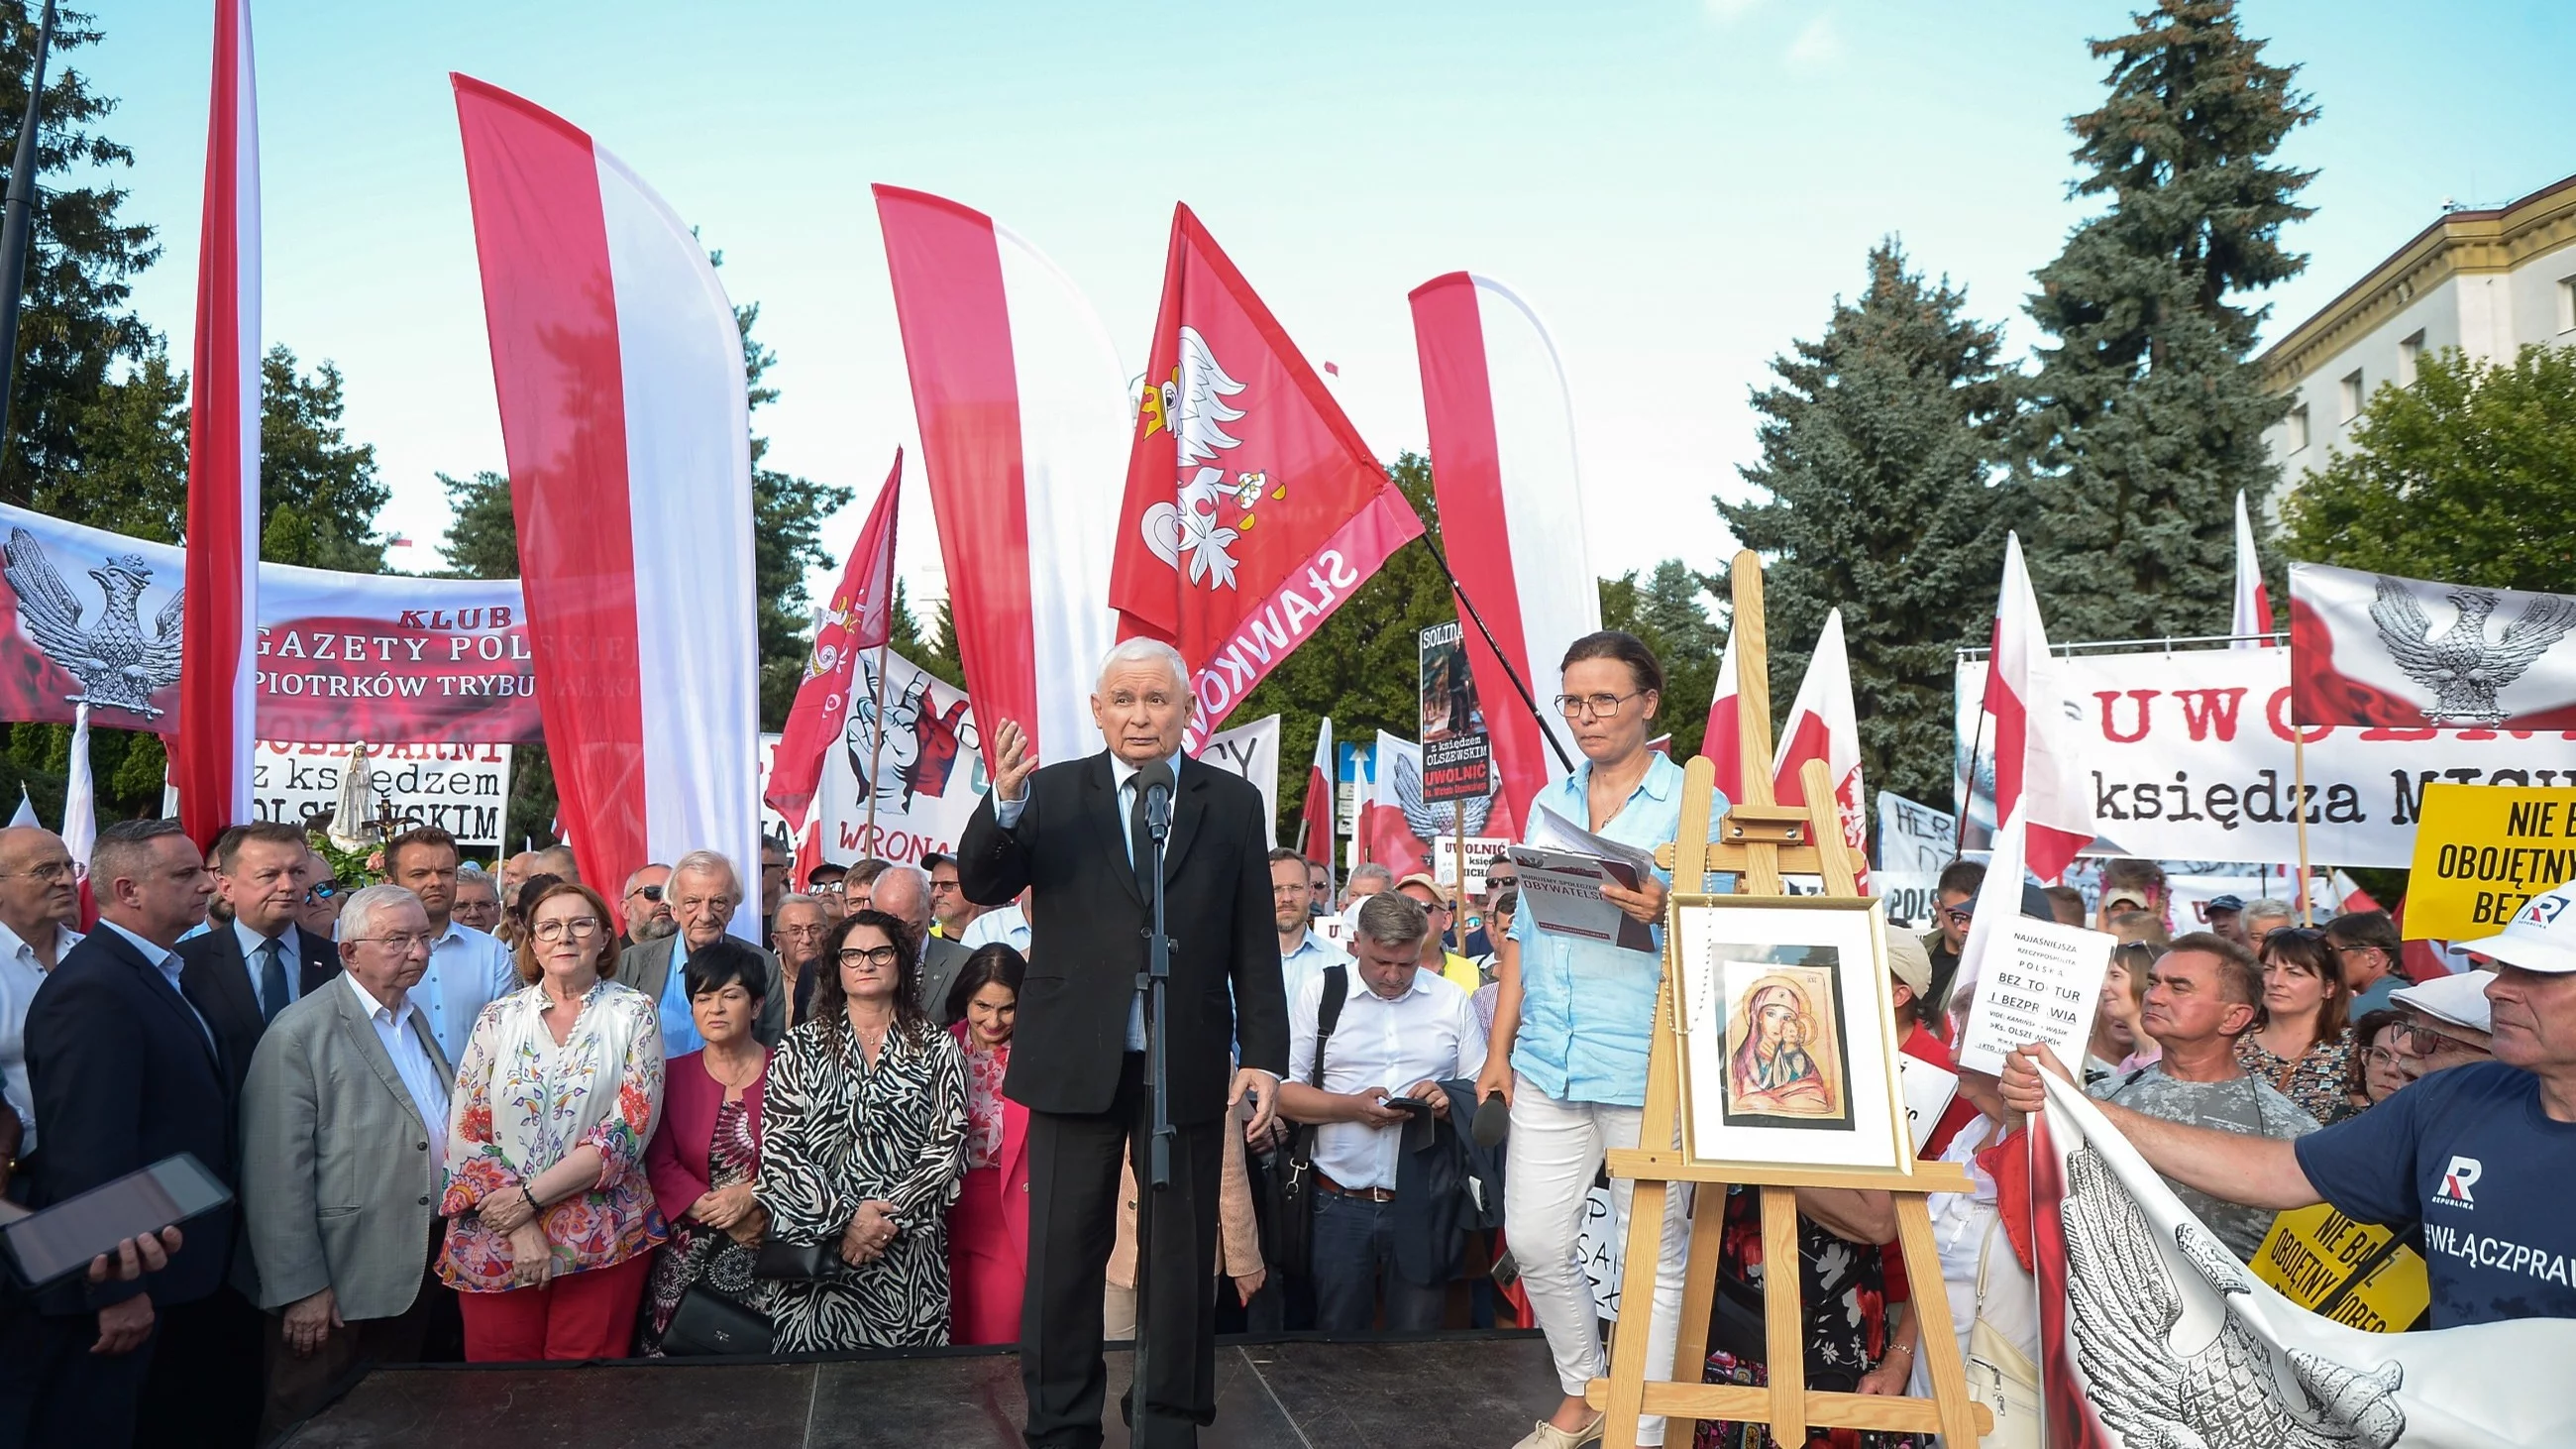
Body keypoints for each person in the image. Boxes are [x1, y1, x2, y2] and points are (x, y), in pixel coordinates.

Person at [957, 637, 1287, 1449]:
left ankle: (1170, 1417)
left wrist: (1266, 1054)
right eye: (1125, 701)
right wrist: (1002, 802)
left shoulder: (1231, 803)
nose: (1141, 715)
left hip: (1189, 1056)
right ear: (1099, 710)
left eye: (1158, 700)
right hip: (1075, 1054)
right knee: (1066, 1251)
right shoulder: (1052, 792)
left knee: (1180, 1256)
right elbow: (982, 883)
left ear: (1185, 712)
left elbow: (1254, 939)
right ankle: (1063, 1420)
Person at [2004, 878, 2576, 1328]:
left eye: (2537, 975)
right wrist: (2083, 1106)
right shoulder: (2454, 1098)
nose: (2497, 987)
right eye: (2504, 968)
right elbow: (2280, 1169)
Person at [1477, 631, 1696, 1449]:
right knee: (1534, 1237)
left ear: (1648, 704)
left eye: (1605, 699)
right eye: (1573, 699)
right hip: (1546, 1058)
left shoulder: (1694, 802)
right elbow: (1522, 940)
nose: (1586, 715)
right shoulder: (1551, 801)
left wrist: (1668, 910)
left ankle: (1639, 1428)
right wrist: (1497, 1054)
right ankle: (1587, 1386)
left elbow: (1743, 937)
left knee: (1655, 1257)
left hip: (1650, 1062)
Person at [20, 820, 232, 1447]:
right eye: (185, 874)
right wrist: (116, 1287)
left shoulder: (159, 970)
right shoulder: (94, 990)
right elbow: (86, 1154)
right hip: (132, 1281)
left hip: (180, 1263)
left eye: (203, 870)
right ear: (127, 890)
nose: (205, 885)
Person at [241, 885, 461, 1433]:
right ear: (348, 952)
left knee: (391, 1419)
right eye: (397, 940)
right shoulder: (300, 1033)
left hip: (411, 1264)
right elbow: (274, 1177)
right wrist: (302, 1290)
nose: (417, 952)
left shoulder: (409, 1018)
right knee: (311, 1420)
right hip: (338, 1280)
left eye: (423, 938)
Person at [439, 880, 665, 1361]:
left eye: (580, 924)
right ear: (533, 942)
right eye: (550, 926)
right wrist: (519, 1224)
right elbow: (466, 1127)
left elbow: (626, 1131)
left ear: (605, 936)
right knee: (500, 1394)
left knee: (584, 1402)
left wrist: (528, 1199)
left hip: (600, 1235)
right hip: (497, 1233)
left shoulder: (633, 1012)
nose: (565, 936)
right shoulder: (497, 1017)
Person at [758, 911, 968, 1350]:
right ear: (836, 966)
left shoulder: (937, 1045)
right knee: (812, 1403)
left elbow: (947, 1144)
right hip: (819, 1256)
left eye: (879, 952)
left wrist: (884, 1222)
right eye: (852, 954)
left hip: (907, 1258)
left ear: (902, 962)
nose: (866, 963)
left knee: (911, 1403)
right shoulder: (800, 1047)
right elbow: (780, 1149)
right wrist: (847, 1219)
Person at [1278, 892, 1485, 1332]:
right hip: (1336, 1203)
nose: (1392, 976)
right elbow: (1284, 1094)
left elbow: (1480, 1091)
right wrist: (1350, 1108)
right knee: (1337, 1345)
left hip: (1424, 1202)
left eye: (1406, 965)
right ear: (1357, 944)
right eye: (1380, 963)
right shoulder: (1322, 993)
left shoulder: (1451, 1000)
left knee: (1416, 1349)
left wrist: (1448, 1100)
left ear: (1423, 948)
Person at [2076, 934, 2318, 1261]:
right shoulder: (2105, 1093)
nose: (2154, 997)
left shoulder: (2285, 1131)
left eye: (2179, 988)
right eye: (2153, 982)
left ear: (2234, 1017)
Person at [639, 939, 772, 1356]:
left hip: (769, 1245)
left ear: (756, 1006)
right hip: (689, 1250)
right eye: (703, 997)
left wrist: (753, 1198)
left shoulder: (790, 1070)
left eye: (730, 995)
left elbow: (806, 1154)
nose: (715, 1008)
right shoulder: (671, 1075)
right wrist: (719, 1213)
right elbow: (659, 1163)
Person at [180, 821, 338, 1105]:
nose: (288, 886)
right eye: (269, 875)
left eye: (298, 872)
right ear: (226, 887)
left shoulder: (338, 963)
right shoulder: (185, 966)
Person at [620, 850, 784, 1059]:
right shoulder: (633, 963)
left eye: (718, 902)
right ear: (674, 910)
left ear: (732, 908)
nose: (705, 915)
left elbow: (771, 1054)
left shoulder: (764, 964)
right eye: (692, 902)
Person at [946, 944, 1029, 1346]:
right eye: (982, 1006)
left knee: (999, 1333)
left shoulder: (1039, 1055)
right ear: (966, 998)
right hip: (943, 1209)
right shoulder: (936, 1048)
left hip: (1010, 1208)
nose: (993, 1021)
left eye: (1007, 1008)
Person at [387, 826, 520, 1066]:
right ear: (391, 882)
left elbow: (507, 1035)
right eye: (420, 874)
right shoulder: (373, 954)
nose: (435, 882)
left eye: (445, 872)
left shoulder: (490, 953)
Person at [0, 827, 80, 1166]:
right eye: (45, 871)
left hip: (102, 1165)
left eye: (69, 866)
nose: (66, 880)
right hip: (17, 1171)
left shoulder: (95, 954)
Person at [2234, 928, 2356, 1126]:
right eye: (2268, 970)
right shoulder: (2230, 1043)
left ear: (2329, 988)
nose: (2275, 982)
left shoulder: (2354, 1051)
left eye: (2294, 973)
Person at [872, 862, 972, 1022]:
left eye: (913, 927)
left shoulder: (964, 964)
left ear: (932, 907)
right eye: (891, 927)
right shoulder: (850, 963)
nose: (902, 939)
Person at [1271, 847, 1348, 1003]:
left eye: (1296, 888)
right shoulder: (1231, 966)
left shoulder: (1342, 965)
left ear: (1311, 893)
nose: (1287, 898)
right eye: (1276, 889)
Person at [1921, 858, 1983, 1026]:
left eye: (1974, 916)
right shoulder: (1917, 954)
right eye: (1956, 915)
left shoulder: (1991, 965)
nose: (1965, 926)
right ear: (1938, 909)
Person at [1395, 873, 1478, 993]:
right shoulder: (1376, 970)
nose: (1411, 916)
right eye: (1401, 908)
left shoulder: (1470, 972)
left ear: (1446, 920)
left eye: (1423, 907)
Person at [2083, 942, 2153, 1082]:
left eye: (2115, 976)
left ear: (2143, 980)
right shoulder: (2128, 1064)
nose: (2104, 987)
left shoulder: (2168, 1060)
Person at [2324, 909, 2406, 1021]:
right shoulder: (2407, 995)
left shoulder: (2357, 1010)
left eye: (2331, 952)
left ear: (2372, 957)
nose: (2325, 960)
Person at [771, 892, 831, 1029]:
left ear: (827, 935)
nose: (807, 939)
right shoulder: (765, 977)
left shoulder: (840, 974)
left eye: (814, 929)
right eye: (795, 931)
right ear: (777, 941)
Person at [2347, 1008, 2408, 1108]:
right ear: (2366, 1057)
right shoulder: (2338, 1120)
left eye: (2406, 1060)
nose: (2391, 1070)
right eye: (2381, 1055)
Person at [2094, 857, 2169, 932]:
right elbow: (2101, 925)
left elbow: (2156, 931)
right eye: (2117, 908)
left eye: (2133, 909)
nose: (2125, 914)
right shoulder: (2109, 883)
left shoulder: (2155, 892)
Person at [925, 850, 985, 940]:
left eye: (947, 884)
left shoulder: (994, 940)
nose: (936, 893)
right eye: (933, 885)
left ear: (974, 891)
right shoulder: (922, 942)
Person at [621, 863, 677, 951]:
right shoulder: (605, 961)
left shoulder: (697, 960)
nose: (664, 901)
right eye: (653, 892)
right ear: (626, 909)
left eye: (671, 895)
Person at [291, 857, 342, 941]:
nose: (318, 901)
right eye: (305, 894)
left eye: (323, 887)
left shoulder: (363, 935)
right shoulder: (273, 948)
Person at [453, 865, 503, 935]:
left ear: (498, 912)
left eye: (483, 905)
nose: (473, 914)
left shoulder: (501, 945)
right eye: (461, 906)